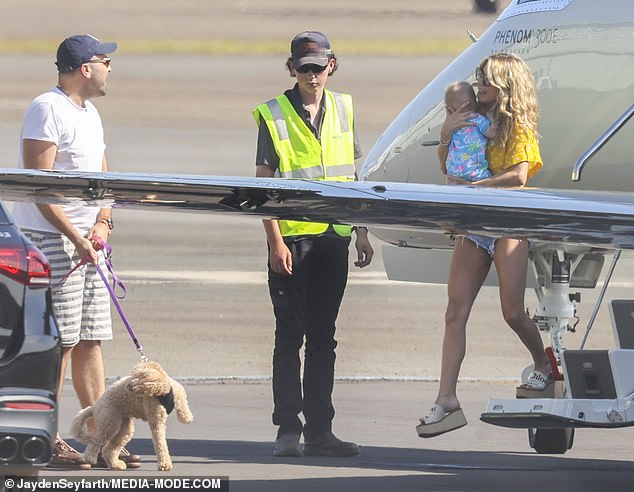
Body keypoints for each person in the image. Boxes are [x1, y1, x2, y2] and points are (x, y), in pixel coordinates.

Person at [12, 34, 141, 469]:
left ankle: (101, 436)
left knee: (90, 338)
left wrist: (103, 221)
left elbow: (103, 171)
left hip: (89, 243)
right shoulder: (46, 109)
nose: (110, 68)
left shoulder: (91, 113)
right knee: (60, 343)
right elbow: (39, 186)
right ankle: (43, 437)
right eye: (106, 61)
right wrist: (75, 236)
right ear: (85, 68)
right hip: (53, 241)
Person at [416, 52, 551, 438]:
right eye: (478, 78)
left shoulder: (518, 127)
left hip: (508, 221)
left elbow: (519, 177)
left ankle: (543, 364)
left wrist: (478, 188)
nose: (479, 85)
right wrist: (446, 132)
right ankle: (447, 400)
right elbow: (448, 163)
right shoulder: (473, 119)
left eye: (486, 80)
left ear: (503, 86)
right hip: (475, 223)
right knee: (454, 311)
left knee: (512, 312)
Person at [253, 31, 374, 457]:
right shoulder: (274, 115)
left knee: (324, 337)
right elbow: (261, 187)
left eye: (318, 67)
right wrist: (274, 242)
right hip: (292, 240)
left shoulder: (343, 108)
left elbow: (352, 175)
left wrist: (361, 229)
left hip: (333, 238)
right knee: (290, 335)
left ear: (331, 66)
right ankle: (288, 428)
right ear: (292, 69)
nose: (312, 75)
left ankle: (320, 431)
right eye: (304, 68)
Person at [441, 81, 494, 182]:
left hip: (454, 173)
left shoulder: (452, 127)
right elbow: (492, 133)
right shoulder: (478, 120)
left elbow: (443, 159)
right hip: (475, 173)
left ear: (450, 110)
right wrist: (495, 121)